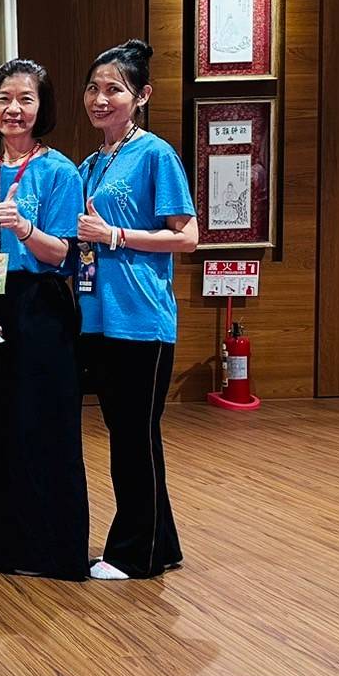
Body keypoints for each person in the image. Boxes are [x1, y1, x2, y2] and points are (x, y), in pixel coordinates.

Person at [0, 61, 89, 581]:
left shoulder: (60, 172)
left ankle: (42, 549)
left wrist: (25, 229)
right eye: (4, 98)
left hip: (42, 306)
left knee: (39, 425)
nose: (13, 109)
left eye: (25, 99)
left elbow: (66, 255)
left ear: (42, 108)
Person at [73, 39, 198, 580]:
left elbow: (187, 236)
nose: (100, 99)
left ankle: (134, 554)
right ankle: (160, 543)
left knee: (133, 438)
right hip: (97, 317)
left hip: (142, 319)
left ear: (141, 96)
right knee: (128, 434)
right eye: (93, 89)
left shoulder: (155, 154)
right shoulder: (91, 162)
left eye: (114, 90)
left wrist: (116, 235)